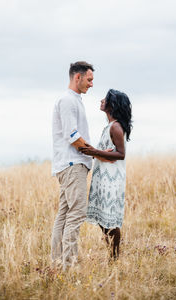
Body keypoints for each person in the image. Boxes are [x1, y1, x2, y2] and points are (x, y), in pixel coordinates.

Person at [51, 61, 95, 271]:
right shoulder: (67, 100)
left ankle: (57, 263)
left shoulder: (73, 100)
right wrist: (95, 153)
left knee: (65, 214)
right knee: (76, 214)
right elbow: (72, 136)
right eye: (89, 79)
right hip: (72, 164)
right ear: (77, 77)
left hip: (68, 164)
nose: (91, 84)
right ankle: (68, 266)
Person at [79, 89, 132, 259]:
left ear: (112, 104)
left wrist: (94, 151)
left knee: (110, 220)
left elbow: (120, 154)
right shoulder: (109, 126)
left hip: (111, 179)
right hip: (102, 177)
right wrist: (95, 153)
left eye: (105, 99)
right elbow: (105, 152)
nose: (101, 100)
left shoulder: (116, 126)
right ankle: (112, 255)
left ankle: (114, 257)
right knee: (103, 220)